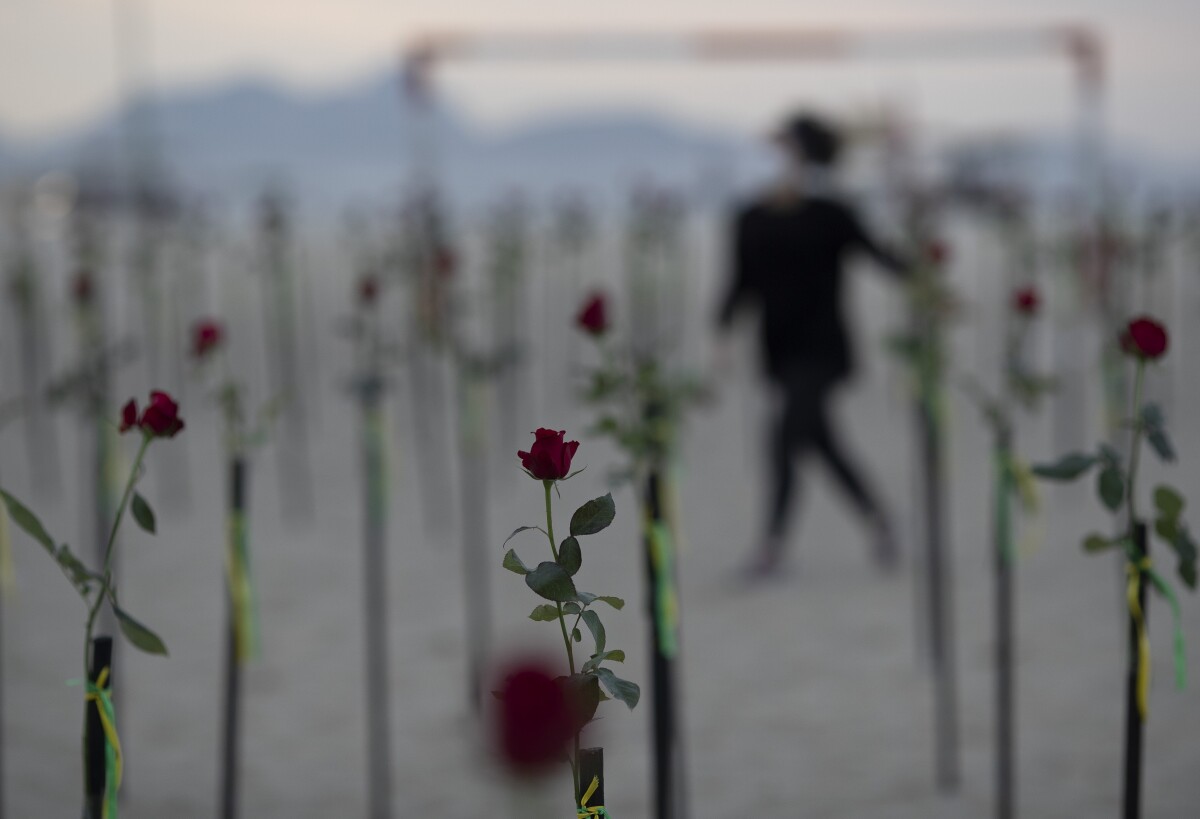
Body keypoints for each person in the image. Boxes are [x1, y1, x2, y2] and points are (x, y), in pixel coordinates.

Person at [717, 112, 906, 577]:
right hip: (778, 348)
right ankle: (879, 520)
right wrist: (722, 331)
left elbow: (881, 256)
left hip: (823, 347)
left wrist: (925, 274)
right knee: (820, 441)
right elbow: (739, 281)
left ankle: (772, 547)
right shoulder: (750, 217)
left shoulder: (832, 214)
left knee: (784, 437)